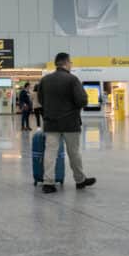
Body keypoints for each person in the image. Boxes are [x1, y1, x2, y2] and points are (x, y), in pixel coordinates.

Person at [37, 53, 96, 194]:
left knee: (50, 153)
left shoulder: (45, 80)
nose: (71, 65)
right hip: (70, 123)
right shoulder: (72, 79)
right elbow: (82, 100)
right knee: (74, 153)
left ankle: (48, 183)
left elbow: (40, 100)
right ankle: (80, 180)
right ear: (66, 63)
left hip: (51, 122)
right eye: (71, 62)